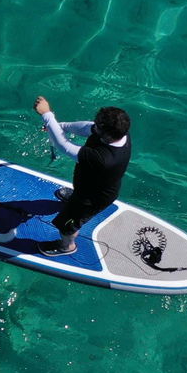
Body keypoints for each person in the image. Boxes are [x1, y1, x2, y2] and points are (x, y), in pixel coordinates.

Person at [34, 96, 131, 256]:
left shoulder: (103, 159)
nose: (94, 127)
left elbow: (64, 147)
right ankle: (74, 197)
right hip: (92, 185)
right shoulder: (119, 134)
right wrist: (59, 127)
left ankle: (66, 246)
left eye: (98, 127)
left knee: (67, 224)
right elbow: (88, 128)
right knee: (81, 190)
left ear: (106, 136)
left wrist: (47, 115)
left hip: (92, 199)